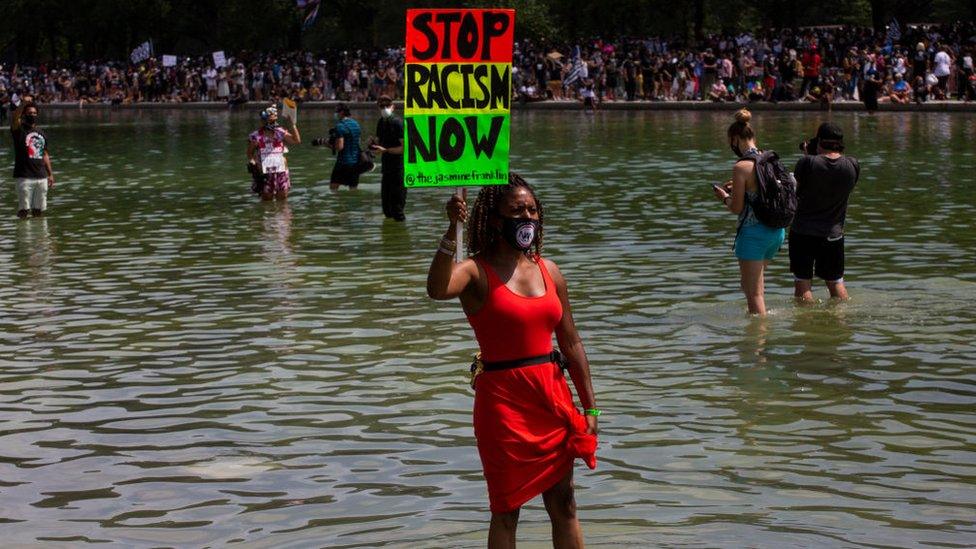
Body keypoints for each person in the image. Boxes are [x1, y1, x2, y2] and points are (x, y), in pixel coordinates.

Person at [426, 174, 598, 548]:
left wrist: (590, 408)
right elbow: (437, 289)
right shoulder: (474, 270)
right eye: (517, 210)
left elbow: (571, 342)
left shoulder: (549, 270)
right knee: (507, 509)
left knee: (565, 502)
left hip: (552, 398)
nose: (528, 218)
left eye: (532, 209)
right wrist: (450, 231)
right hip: (503, 404)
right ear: (493, 219)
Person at [712, 109, 785, 316]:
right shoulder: (770, 159)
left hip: (754, 233)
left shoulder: (741, 166)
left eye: (730, 142)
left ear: (735, 139)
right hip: (776, 232)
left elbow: (736, 208)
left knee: (754, 294)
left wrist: (723, 197)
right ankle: (757, 334)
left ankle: (757, 343)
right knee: (751, 286)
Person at [790, 123, 859, 303]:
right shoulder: (852, 164)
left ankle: (806, 324)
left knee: (803, 283)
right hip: (834, 234)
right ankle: (842, 320)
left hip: (803, 232)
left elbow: (797, 190)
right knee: (836, 283)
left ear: (819, 141)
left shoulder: (807, 162)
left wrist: (809, 156)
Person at [10, 95, 54, 219]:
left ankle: (39, 236)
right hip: (24, 177)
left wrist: (50, 174)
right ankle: (24, 236)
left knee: (38, 211)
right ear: (24, 114)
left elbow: (45, 154)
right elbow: (14, 118)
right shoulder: (19, 130)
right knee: (23, 210)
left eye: (35, 113)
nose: (32, 115)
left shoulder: (41, 132)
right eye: (29, 113)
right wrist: (23, 104)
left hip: (41, 176)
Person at [246, 105, 300, 201]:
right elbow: (249, 153)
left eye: (274, 120)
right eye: (271, 121)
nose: (274, 123)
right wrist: (253, 163)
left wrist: (293, 125)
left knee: (282, 198)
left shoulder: (280, 132)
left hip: (281, 170)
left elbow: (296, 141)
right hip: (264, 172)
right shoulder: (256, 136)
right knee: (267, 199)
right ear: (264, 120)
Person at [370, 96, 406, 221]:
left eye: (387, 106)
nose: (384, 109)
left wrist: (386, 151)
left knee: (397, 210)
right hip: (386, 169)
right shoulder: (381, 122)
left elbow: (404, 148)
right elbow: (379, 142)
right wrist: (372, 143)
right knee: (387, 210)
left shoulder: (397, 122)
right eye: (381, 106)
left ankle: (400, 237)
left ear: (393, 106)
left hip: (398, 169)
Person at [328, 103, 363, 190]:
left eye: (337, 112)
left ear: (342, 112)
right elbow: (358, 142)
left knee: (333, 189)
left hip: (343, 162)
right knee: (353, 190)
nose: (335, 114)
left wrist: (326, 144)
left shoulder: (340, 126)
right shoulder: (356, 124)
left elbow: (340, 147)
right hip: (355, 163)